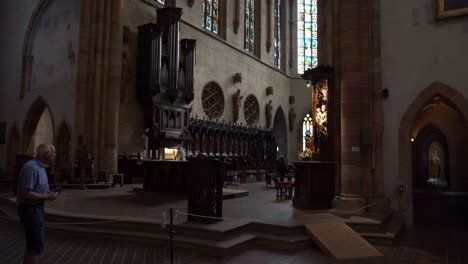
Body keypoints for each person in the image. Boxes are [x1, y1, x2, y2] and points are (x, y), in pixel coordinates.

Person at [16, 144, 59, 264]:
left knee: (34, 243)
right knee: (35, 244)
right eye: (53, 153)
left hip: (37, 207)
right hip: (29, 208)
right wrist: (47, 196)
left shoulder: (41, 167)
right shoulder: (31, 167)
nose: (55, 155)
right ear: (46, 155)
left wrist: (48, 192)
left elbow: (37, 187)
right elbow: (26, 193)